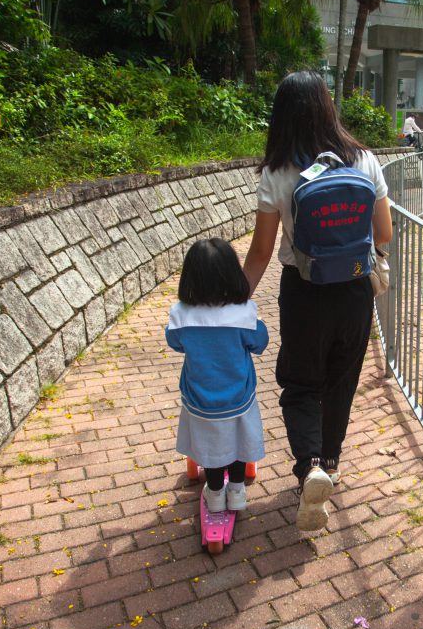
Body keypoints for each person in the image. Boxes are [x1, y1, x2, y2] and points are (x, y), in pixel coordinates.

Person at [242, 71, 393, 531]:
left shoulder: (278, 171)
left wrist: (231, 302)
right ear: (328, 107)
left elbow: (262, 252)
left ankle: (309, 467)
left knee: (301, 383)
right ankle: (331, 459)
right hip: (354, 289)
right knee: (340, 381)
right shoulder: (364, 160)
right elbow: (383, 233)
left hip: (304, 292)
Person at [167, 238, 269, 513]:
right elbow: (260, 343)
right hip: (238, 396)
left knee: (210, 447)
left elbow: (175, 343)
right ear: (232, 274)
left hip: (200, 398)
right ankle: (236, 491)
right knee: (237, 442)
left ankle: (214, 492)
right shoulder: (242, 314)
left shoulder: (181, 315)